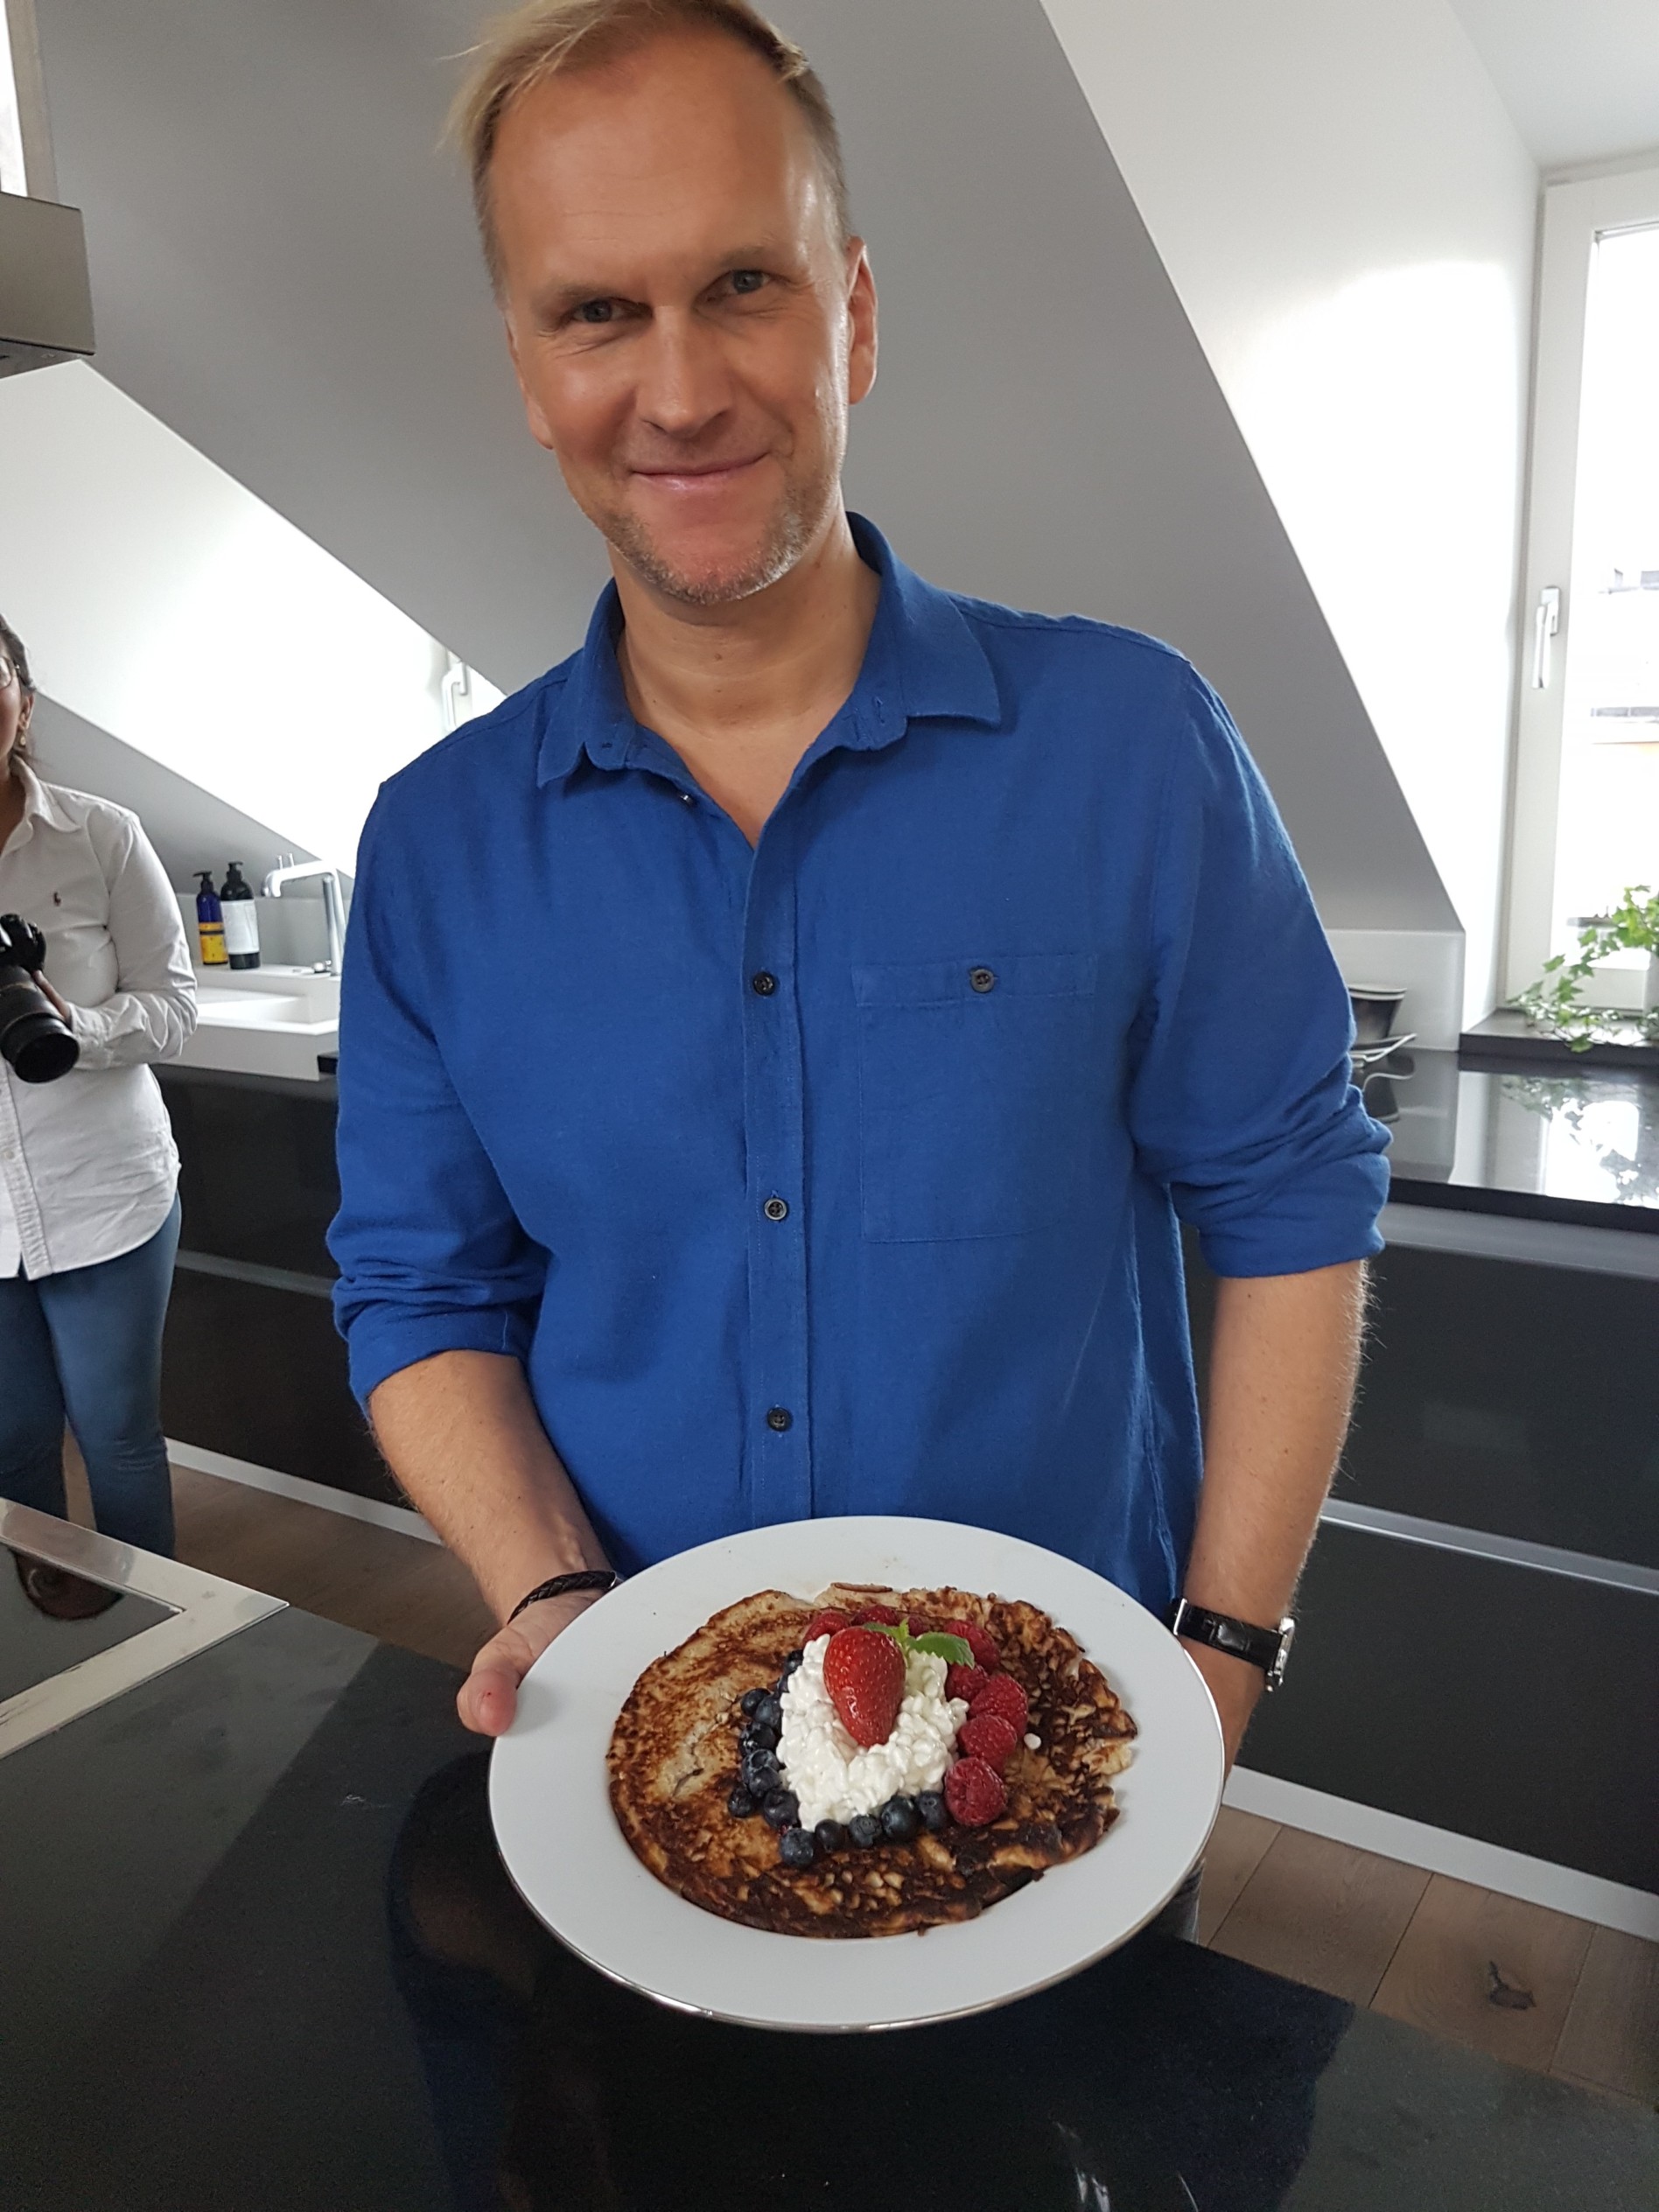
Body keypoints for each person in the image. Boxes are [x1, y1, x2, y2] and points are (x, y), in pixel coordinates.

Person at [330, 0, 1388, 1777]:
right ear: (528, 367)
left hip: (1058, 1743)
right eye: (599, 313)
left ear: (857, 315)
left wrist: (1221, 1645)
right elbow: (420, 1288)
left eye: (744, 284)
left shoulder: (1133, 746)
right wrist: (547, 1589)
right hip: (648, 1741)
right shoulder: (438, 846)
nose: (680, 392)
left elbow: (1291, 1195)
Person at [0, 615, 196, 1558]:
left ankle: (159, 1632)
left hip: (105, 1195)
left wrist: (75, 1025)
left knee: (118, 1439)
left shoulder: (100, 834)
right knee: (11, 1444)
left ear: (24, 701)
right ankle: (38, 1626)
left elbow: (175, 1007)